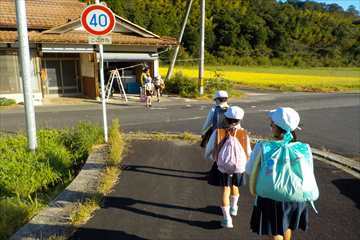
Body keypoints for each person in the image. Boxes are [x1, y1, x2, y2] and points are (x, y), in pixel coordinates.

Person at [246, 107, 310, 240]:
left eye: (272, 122)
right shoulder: (302, 148)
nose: (270, 124)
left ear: (275, 125)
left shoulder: (263, 146)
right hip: (296, 196)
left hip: (272, 196)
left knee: (275, 232)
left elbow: (249, 170)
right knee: (286, 227)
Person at [204, 106, 252, 228]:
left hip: (222, 166)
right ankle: (234, 208)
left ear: (226, 118)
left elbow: (208, 151)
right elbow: (248, 152)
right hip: (238, 167)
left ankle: (227, 220)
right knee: (235, 186)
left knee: (225, 190)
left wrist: (215, 159)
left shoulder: (218, 132)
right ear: (240, 119)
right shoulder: (244, 134)